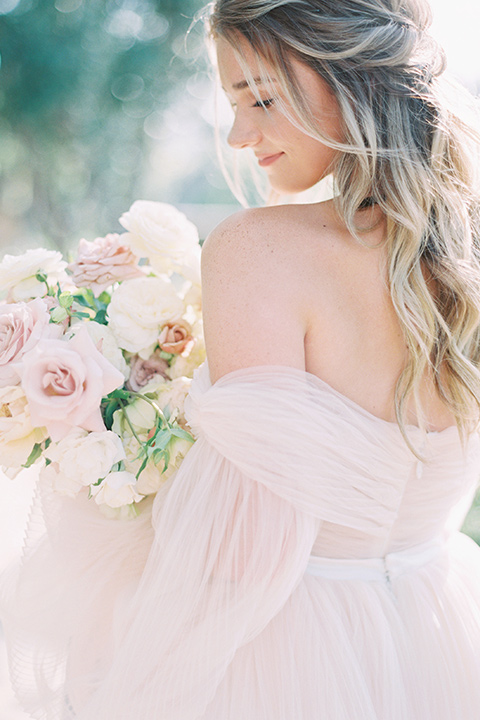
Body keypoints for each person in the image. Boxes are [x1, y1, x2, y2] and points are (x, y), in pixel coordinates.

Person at [4, 0, 480, 718]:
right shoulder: (463, 254)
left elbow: (245, 554)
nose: (237, 134)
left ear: (351, 81)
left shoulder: (257, 251)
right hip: (436, 629)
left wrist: (110, 466)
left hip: (287, 653)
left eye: (258, 98)